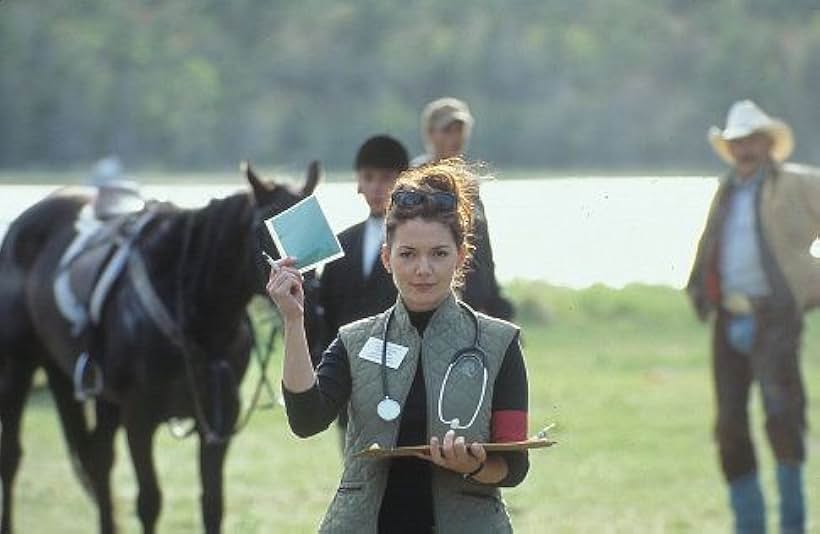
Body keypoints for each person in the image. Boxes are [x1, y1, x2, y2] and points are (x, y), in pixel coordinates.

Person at [267, 159, 530, 533]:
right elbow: (306, 420)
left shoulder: (500, 342)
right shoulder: (354, 340)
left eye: (439, 253)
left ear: (461, 257)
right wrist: (294, 322)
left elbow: (515, 466)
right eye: (408, 254)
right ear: (388, 259)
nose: (423, 269)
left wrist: (471, 465)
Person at [687, 100, 819, 534]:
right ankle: (749, 527)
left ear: (767, 143)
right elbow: (711, 245)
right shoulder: (727, 189)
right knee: (729, 425)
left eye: (751, 140)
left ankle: (793, 526)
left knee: (783, 418)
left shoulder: (797, 184)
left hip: (774, 318)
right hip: (728, 317)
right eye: (737, 142)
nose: (744, 149)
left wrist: (812, 283)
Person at [317, 135, 408, 441]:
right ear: (358, 183)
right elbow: (326, 311)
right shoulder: (340, 244)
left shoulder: (417, 243)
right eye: (369, 178)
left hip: (402, 372)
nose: (377, 187)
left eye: (386, 178)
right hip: (350, 373)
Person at [412, 97, 514, 320]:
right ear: (430, 133)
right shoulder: (413, 182)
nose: (455, 137)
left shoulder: (469, 184)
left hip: (472, 303)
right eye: (448, 130)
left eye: (460, 129)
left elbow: (483, 249)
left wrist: (494, 301)